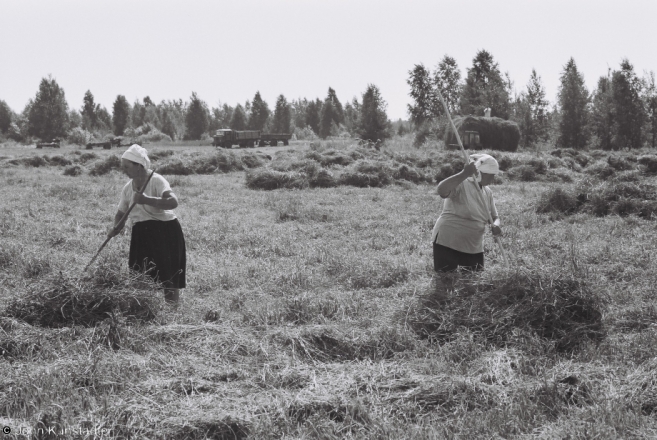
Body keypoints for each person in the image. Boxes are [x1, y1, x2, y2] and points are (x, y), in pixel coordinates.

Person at [108, 144, 186, 304]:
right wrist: (116, 227)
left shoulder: (157, 181)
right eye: (123, 167)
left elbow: (173, 202)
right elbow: (121, 213)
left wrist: (145, 200)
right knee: (139, 275)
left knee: (168, 275)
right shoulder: (127, 188)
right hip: (141, 234)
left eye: (127, 167)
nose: (124, 170)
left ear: (139, 166)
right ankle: (143, 310)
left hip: (165, 232)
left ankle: (172, 315)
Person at [431, 153, 503, 272]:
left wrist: (496, 224)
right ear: (480, 173)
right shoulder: (461, 183)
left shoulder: (488, 192)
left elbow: (495, 216)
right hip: (449, 241)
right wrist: (464, 174)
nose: (493, 179)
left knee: (474, 281)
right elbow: (441, 190)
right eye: (491, 175)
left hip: (473, 245)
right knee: (446, 281)